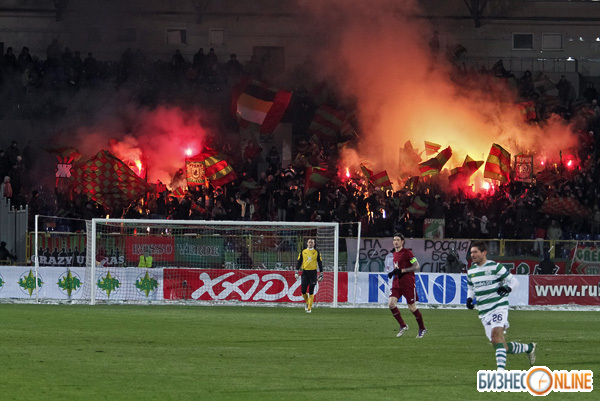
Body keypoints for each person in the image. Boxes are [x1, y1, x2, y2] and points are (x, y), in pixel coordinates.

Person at [467, 241, 537, 370]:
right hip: (483, 311)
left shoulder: (495, 267)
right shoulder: (471, 271)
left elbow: (514, 281)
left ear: (484, 253)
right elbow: (471, 287)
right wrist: (469, 298)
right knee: (501, 345)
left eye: (475, 252)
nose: (472, 255)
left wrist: (507, 289)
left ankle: (500, 373)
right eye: (471, 252)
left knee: (496, 336)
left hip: (498, 307)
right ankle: (529, 348)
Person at [385, 233, 427, 338]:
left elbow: (416, 266)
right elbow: (398, 267)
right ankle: (403, 325)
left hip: (407, 284)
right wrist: (393, 273)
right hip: (397, 284)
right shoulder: (394, 253)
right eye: (394, 240)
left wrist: (402, 270)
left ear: (402, 241)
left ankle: (422, 328)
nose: (395, 242)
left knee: (412, 308)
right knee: (391, 304)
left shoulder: (408, 253)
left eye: (398, 240)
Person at [295, 238, 323, 313]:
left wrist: (321, 274)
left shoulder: (316, 252)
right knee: (303, 291)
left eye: (312, 242)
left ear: (314, 244)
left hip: (313, 273)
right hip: (305, 273)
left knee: (311, 290)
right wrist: (296, 271)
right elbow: (299, 261)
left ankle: (309, 308)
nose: (310, 243)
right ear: (307, 243)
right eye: (309, 242)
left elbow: (320, 263)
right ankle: (307, 302)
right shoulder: (303, 252)